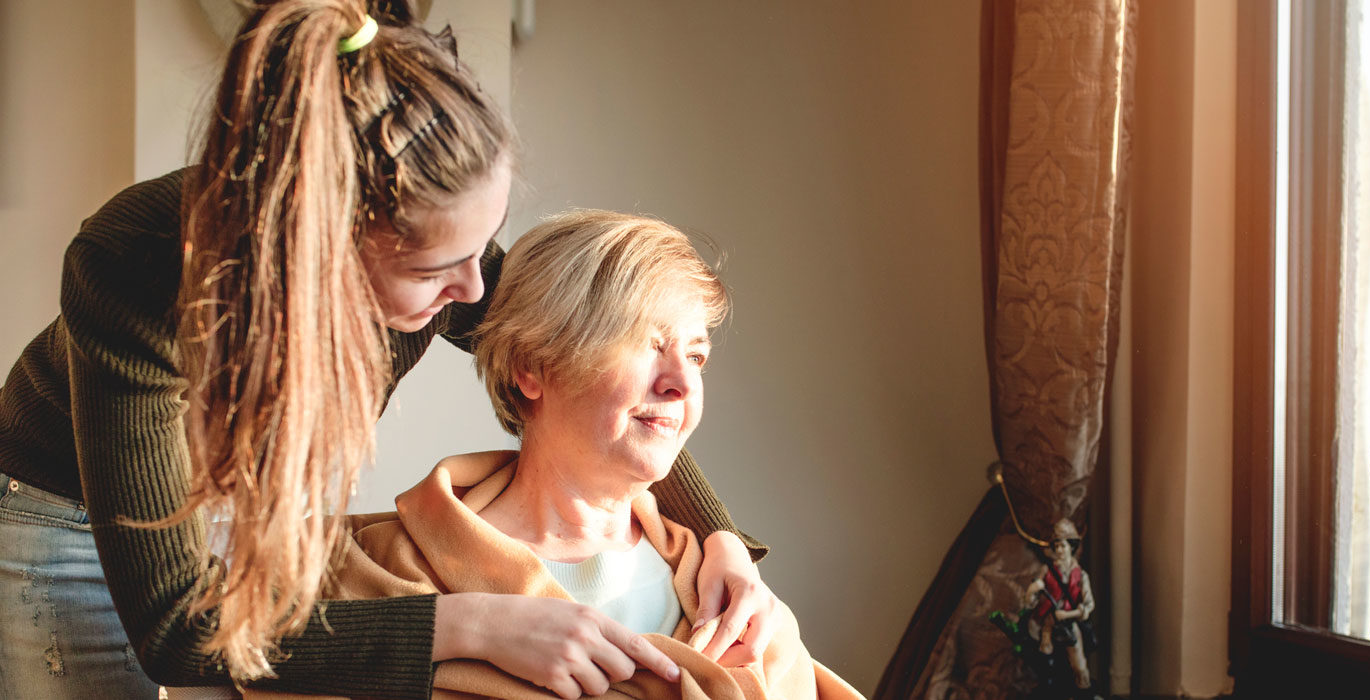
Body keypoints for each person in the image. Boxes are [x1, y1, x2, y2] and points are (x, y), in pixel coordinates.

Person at [0, 3, 773, 698]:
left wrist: (720, 538)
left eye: (483, 245)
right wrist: (474, 624)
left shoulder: (438, 240)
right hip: (64, 520)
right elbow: (178, 632)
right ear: (326, 254)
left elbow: (581, 360)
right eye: (437, 271)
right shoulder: (136, 268)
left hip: (236, 509)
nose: (476, 292)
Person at [234, 210, 860, 700]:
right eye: (644, 343)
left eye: (696, 355)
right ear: (533, 367)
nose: (681, 384)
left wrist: (721, 535)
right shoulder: (387, 576)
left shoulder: (739, 610)